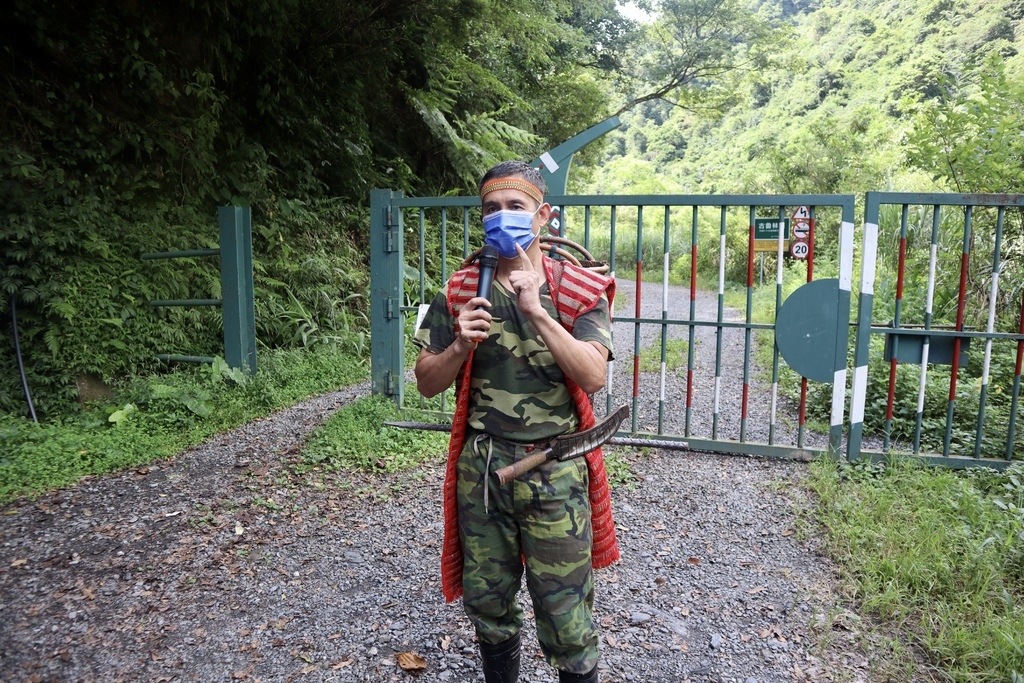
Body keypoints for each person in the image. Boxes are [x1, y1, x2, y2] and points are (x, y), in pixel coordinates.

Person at [412, 160, 619, 683]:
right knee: (489, 606)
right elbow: (426, 382)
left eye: (515, 207)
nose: (502, 218)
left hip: (554, 470)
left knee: (565, 615)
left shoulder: (577, 288)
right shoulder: (460, 290)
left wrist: (540, 313)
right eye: (491, 209)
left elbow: (594, 376)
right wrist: (459, 343)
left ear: (543, 215)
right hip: (483, 470)